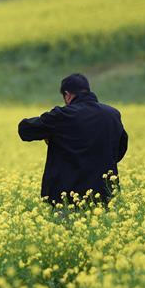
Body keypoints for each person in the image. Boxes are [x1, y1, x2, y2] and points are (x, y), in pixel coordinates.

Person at [18, 73, 128, 205]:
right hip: (105, 196)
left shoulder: (63, 115)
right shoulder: (112, 114)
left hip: (67, 199)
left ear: (67, 95)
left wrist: (50, 134)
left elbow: (25, 130)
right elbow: (121, 149)